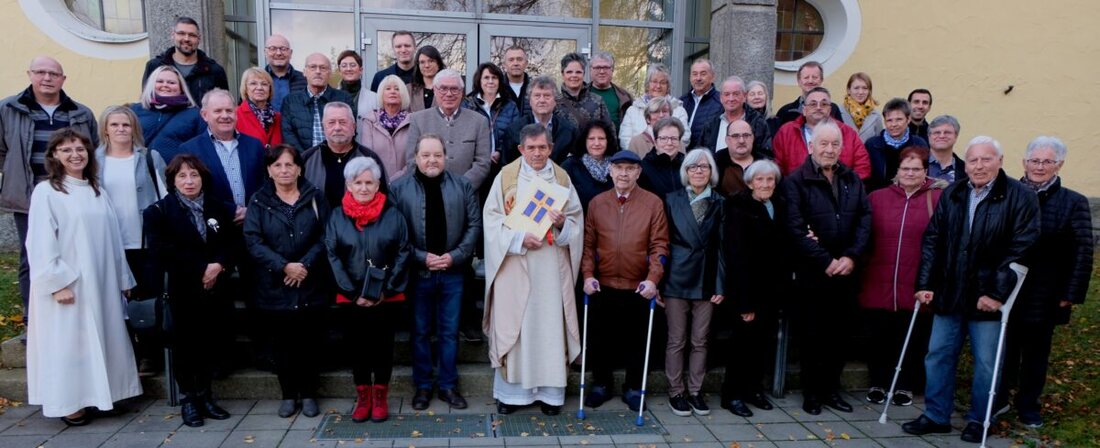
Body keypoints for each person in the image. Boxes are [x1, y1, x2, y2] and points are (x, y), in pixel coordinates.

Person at [902, 136, 1040, 443]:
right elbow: (933, 239)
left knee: (986, 363)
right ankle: (936, 415)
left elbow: (1022, 248)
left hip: (987, 298)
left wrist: (997, 293)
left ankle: (980, 419)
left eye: (986, 159)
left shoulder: (1020, 196)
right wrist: (925, 284)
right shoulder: (954, 192)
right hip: (950, 293)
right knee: (937, 355)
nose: (978, 166)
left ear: (1000, 160)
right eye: (973, 160)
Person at [26, 128, 140, 425]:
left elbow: (114, 239)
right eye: (66, 150)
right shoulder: (47, 192)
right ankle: (71, 402)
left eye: (80, 148)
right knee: (71, 344)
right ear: (54, 156)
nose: (75, 154)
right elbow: (39, 242)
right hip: (69, 284)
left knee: (104, 336)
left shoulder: (96, 189)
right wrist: (57, 283)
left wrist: (123, 278)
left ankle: (104, 396)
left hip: (102, 280)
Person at [483, 124, 584, 416]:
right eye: (531, 148)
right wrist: (517, 238)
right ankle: (511, 395)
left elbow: (577, 223)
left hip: (552, 267)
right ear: (521, 149)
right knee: (517, 326)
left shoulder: (562, 179)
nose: (537, 153)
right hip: (515, 263)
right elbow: (491, 222)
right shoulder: (506, 178)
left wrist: (563, 224)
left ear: (550, 148)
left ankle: (550, 396)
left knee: (548, 326)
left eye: (542, 148)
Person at [997, 136, 1093, 428]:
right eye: (1034, 160)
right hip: (1008, 288)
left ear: (1059, 164)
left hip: (1047, 291)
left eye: (1047, 161)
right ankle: (998, 399)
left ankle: (1028, 405)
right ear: (1024, 162)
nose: (1039, 167)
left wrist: (1071, 293)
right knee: (1004, 348)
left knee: (1037, 352)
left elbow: (1083, 249)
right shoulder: (1007, 193)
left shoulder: (1073, 202)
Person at [782, 121, 871, 416]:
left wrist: (851, 257)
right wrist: (826, 261)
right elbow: (795, 229)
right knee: (812, 337)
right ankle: (812, 394)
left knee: (839, 336)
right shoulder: (795, 182)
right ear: (811, 147)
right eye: (823, 144)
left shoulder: (853, 180)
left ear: (842, 148)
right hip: (812, 274)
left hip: (846, 272)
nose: (829, 149)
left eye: (834, 144)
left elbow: (864, 221)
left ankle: (832, 390)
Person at [1, 56, 98, 322]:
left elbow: (92, 149)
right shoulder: (9, 109)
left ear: (63, 80)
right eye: (41, 72)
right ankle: (34, 318)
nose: (47, 78)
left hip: (71, 192)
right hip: (29, 193)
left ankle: (75, 313)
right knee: (31, 255)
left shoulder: (80, 113)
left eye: (53, 74)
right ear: (29, 74)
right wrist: (14, 173)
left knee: (70, 251)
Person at [144, 154, 236, 427]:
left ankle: (206, 395)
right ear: (172, 180)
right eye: (182, 176)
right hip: (182, 289)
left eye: (194, 175)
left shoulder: (218, 208)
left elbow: (231, 244)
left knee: (210, 342)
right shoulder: (158, 212)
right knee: (185, 346)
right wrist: (201, 268)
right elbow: (161, 251)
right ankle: (189, 399)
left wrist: (218, 265)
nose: (189, 181)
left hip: (215, 288)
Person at [391, 134, 482, 411]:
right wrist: (421, 258)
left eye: (437, 155)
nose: (432, 160)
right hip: (418, 273)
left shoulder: (463, 185)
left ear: (446, 157)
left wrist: (454, 257)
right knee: (419, 332)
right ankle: (422, 387)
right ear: (415, 158)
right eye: (426, 155)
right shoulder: (399, 188)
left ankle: (448, 386)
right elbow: (395, 232)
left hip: (453, 272)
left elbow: (474, 226)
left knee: (449, 332)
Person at [244, 144, 330, 419]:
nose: (284, 170)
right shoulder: (258, 201)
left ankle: (308, 395)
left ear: (299, 168)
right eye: (278, 165)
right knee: (282, 345)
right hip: (275, 285)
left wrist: (304, 265)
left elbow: (327, 236)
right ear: (269, 170)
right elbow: (253, 241)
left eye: (290, 165)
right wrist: (284, 266)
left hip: (310, 282)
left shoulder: (315, 197)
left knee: (309, 343)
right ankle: (288, 395)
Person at [581, 149, 669, 412]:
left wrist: (653, 279)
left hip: (637, 285)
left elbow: (660, 247)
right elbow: (588, 245)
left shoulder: (653, 203)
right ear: (610, 170)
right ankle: (601, 384)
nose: (623, 173)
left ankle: (633, 387)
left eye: (630, 168)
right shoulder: (597, 203)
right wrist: (587, 275)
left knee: (637, 340)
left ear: (638, 172)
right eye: (618, 168)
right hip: (603, 283)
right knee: (600, 339)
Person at [325, 156, 411, 423]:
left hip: (386, 296)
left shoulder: (393, 214)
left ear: (378, 185)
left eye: (369, 182)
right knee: (357, 347)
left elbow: (403, 252)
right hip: (350, 297)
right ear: (348, 185)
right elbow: (332, 254)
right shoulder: (337, 216)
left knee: (382, 347)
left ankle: (380, 397)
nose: (363, 188)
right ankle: (363, 396)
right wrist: (353, 293)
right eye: (358, 182)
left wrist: (384, 290)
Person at [858, 147, 945, 407]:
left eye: (916, 169)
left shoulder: (939, 198)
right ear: (897, 171)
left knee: (912, 336)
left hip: (916, 280)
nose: (910, 173)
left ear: (925, 171)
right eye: (905, 168)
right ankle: (878, 382)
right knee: (879, 336)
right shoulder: (877, 197)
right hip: (878, 278)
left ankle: (905, 385)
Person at [95, 105, 168, 374]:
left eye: (126, 125)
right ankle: (124, 356)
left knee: (144, 300)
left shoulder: (149, 158)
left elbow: (164, 199)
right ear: (105, 129)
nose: (121, 130)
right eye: (114, 125)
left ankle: (150, 354)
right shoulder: (94, 161)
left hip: (143, 243)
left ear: (134, 128)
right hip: (109, 243)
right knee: (113, 302)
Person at [721, 159, 788, 417]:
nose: (765, 184)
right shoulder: (738, 207)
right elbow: (736, 257)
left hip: (772, 290)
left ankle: (753, 389)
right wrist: (744, 303)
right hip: (746, 291)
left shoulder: (779, 206)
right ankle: (732, 395)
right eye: (759, 179)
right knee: (742, 344)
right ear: (750, 183)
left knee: (762, 343)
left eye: (770, 179)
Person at [662, 148, 725, 418]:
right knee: (676, 340)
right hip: (676, 277)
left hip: (706, 278)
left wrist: (720, 285)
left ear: (712, 172)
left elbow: (723, 247)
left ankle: (695, 391)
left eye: (704, 166)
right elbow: (661, 243)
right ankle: (676, 392)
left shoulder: (721, 203)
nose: (698, 171)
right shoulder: (671, 199)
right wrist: (659, 282)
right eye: (692, 167)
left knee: (700, 340)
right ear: (685, 172)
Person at [177, 89, 265, 221]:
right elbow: (189, 192)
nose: (225, 116)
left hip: (253, 223)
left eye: (229, 111)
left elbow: (264, 185)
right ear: (205, 115)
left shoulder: (255, 145)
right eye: (218, 111)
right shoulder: (189, 150)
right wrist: (229, 211)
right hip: (213, 227)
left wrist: (251, 212)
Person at [405, 69, 492, 190]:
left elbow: (483, 163)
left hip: (465, 197)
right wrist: (431, 187)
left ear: (461, 92)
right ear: (435, 90)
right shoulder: (418, 120)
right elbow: (412, 161)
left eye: (454, 89)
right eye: (443, 88)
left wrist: (460, 187)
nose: (449, 94)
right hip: (427, 194)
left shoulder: (479, 121)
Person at [772, 87, 871, 179]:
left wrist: (848, 189)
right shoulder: (786, 132)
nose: (818, 107)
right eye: (813, 104)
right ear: (804, 110)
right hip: (797, 194)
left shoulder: (847, 132)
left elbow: (862, 166)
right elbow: (776, 166)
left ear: (830, 110)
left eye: (824, 104)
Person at [303, 102, 389, 208]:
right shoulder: (307, 159)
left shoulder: (370, 159)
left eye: (343, 122)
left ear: (354, 127)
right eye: (331, 122)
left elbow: (383, 199)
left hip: (359, 223)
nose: (337, 127)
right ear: (323, 127)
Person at [141, 17, 228, 104]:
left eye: (192, 35)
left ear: (199, 39)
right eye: (181, 33)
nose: (186, 39)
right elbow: (146, 100)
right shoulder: (155, 66)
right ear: (173, 35)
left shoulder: (214, 70)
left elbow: (223, 104)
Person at [281, 53, 356, 153]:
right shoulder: (290, 101)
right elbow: (288, 134)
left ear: (330, 73)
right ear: (304, 72)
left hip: (338, 158)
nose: (318, 72)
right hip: (301, 161)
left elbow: (351, 130)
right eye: (313, 67)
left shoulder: (344, 98)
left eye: (323, 68)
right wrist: (306, 159)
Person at [132, 65, 205, 163]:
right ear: (151, 85)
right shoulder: (135, 110)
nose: (165, 85)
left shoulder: (195, 115)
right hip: (141, 173)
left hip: (176, 174)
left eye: (172, 82)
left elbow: (202, 147)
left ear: (181, 88)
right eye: (160, 81)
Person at [500, 76, 578, 165]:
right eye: (537, 96)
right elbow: (507, 165)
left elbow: (574, 165)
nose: (542, 100)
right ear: (529, 101)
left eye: (547, 96)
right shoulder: (514, 130)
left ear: (555, 101)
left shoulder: (569, 131)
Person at [619, 63, 690, 151]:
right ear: (647, 85)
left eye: (662, 82)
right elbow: (625, 140)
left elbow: (684, 138)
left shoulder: (678, 110)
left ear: (668, 87)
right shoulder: (633, 110)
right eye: (654, 82)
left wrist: (663, 152)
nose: (658, 86)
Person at [863, 98, 930, 191]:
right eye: (889, 120)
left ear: (908, 119)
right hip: (879, 199)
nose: (894, 124)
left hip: (911, 198)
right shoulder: (872, 145)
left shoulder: (919, 144)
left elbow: (925, 175)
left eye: (899, 119)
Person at [698, 76, 772, 158]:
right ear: (721, 98)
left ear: (744, 97)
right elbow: (701, 153)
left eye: (736, 94)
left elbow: (766, 156)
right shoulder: (711, 123)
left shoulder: (758, 122)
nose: (731, 98)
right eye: (726, 94)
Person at [358, 75, 412, 182]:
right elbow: (367, 156)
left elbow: (415, 157)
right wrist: (382, 180)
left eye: (397, 89)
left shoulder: (413, 120)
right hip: (378, 182)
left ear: (403, 95)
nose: (393, 91)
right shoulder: (370, 120)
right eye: (388, 89)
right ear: (381, 94)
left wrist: (397, 179)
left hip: (407, 182)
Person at [462, 62, 520, 160]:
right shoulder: (468, 105)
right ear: (479, 81)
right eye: (486, 78)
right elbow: (463, 136)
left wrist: (500, 152)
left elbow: (516, 134)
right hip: (475, 164)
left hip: (503, 162)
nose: (490, 81)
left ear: (499, 81)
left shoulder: (510, 106)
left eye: (494, 78)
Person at [561, 120, 617, 211]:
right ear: (584, 141)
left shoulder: (617, 164)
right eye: (591, 139)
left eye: (601, 138)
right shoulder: (570, 166)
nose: (597, 143)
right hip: (582, 221)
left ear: (608, 141)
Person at [774, 61, 843, 128]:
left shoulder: (833, 109)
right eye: (806, 77)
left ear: (821, 80)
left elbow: (842, 134)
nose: (810, 81)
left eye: (815, 77)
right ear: (799, 81)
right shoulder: (786, 111)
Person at [555, 52, 612, 133]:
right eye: (569, 72)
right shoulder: (554, 103)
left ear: (584, 74)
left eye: (578, 72)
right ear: (563, 74)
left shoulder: (597, 101)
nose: (574, 75)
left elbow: (609, 133)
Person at [639, 117, 687, 198]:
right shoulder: (643, 168)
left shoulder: (687, 166)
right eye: (663, 138)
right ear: (655, 142)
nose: (669, 143)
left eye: (674, 138)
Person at [236, 67, 283, 147]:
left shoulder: (278, 118)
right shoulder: (235, 115)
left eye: (264, 84)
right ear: (245, 88)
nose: (259, 88)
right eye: (253, 83)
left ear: (270, 89)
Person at [681, 59, 722, 148]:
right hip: (682, 158)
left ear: (713, 77)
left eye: (703, 74)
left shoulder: (721, 103)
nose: (698, 78)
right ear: (690, 77)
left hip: (707, 158)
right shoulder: (681, 102)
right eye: (695, 74)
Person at [587, 51, 633, 129]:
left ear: (612, 70)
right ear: (590, 70)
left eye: (606, 67)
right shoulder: (581, 94)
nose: (602, 71)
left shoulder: (625, 97)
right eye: (598, 67)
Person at [263, 34, 306, 111]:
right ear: (265, 52)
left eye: (283, 49)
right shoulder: (255, 80)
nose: (279, 53)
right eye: (273, 48)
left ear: (291, 53)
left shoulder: (305, 79)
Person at [714, 119, 756, 196]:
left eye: (746, 135)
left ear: (752, 138)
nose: (741, 140)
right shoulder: (715, 162)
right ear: (727, 140)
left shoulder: (765, 162)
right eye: (735, 136)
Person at [838, 72, 883, 143]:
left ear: (869, 91)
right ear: (848, 90)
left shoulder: (876, 115)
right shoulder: (838, 111)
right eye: (856, 88)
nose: (860, 92)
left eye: (865, 88)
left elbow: (879, 143)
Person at [927, 115, 967, 184]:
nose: (942, 136)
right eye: (937, 132)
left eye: (947, 132)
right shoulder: (916, 164)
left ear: (956, 136)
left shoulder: (965, 169)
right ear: (929, 136)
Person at [408, 46, 445, 112]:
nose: (427, 65)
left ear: (438, 64)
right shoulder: (409, 90)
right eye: (422, 62)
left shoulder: (448, 89)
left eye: (431, 61)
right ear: (418, 66)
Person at [502, 45, 531, 114]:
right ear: (504, 64)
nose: (515, 63)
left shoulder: (535, 88)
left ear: (526, 63)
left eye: (519, 59)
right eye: (511, 60)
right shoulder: (497, 89)